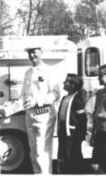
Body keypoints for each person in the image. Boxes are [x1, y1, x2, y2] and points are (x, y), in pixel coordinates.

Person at [20, 46, 60, 174]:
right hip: (30, 115)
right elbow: (23, 94)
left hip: (44, 115)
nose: (32, 55)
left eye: (34, 52)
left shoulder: (49, 70)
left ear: (41, 52)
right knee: (33, 151)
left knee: (42, 151)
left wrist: (37, 101)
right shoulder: (28, 72)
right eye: (29, 53)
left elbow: (55, 93)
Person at [57, 74, 87, 174]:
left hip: (73, 135)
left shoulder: (77, 101)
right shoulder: (65, 98)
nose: (64, 83)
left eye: (66, 81)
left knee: (73, 157)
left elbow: (83, 120)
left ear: (72, 85)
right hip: (63, 133)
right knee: (63, 157)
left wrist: (80, 136)